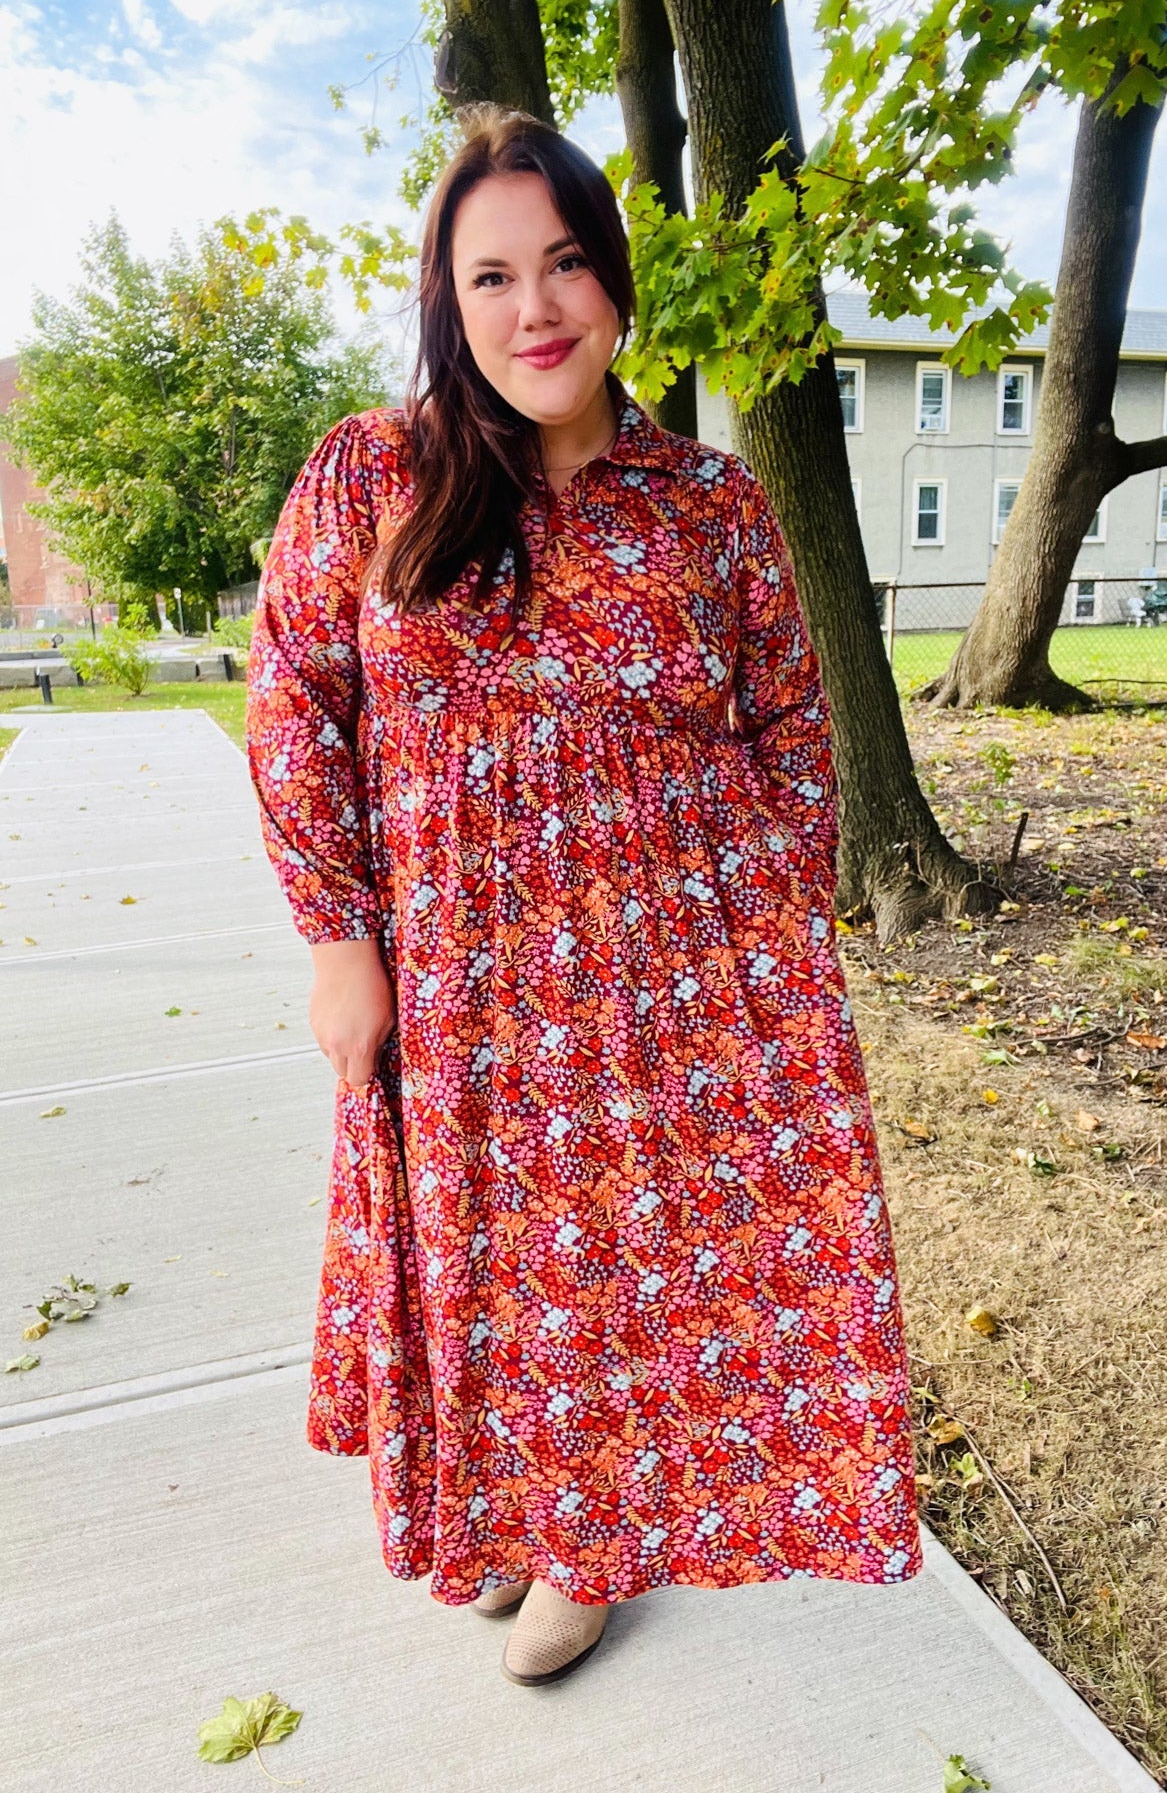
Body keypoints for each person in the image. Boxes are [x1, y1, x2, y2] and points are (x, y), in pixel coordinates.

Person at [245, 101, 921, 1690]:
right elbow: (295, 705)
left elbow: (790, 738)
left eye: (563, 265)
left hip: (658, 994)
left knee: (615, 1281)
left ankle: (591, 1545)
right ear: (449, 303)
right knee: (486, 1265)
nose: (533, 308)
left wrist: (760, 961)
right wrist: (342, 942)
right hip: (462, 989)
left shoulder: (707, 506)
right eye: (490, 277)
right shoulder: (375, 477)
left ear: (615, 284)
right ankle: (509, 1508)